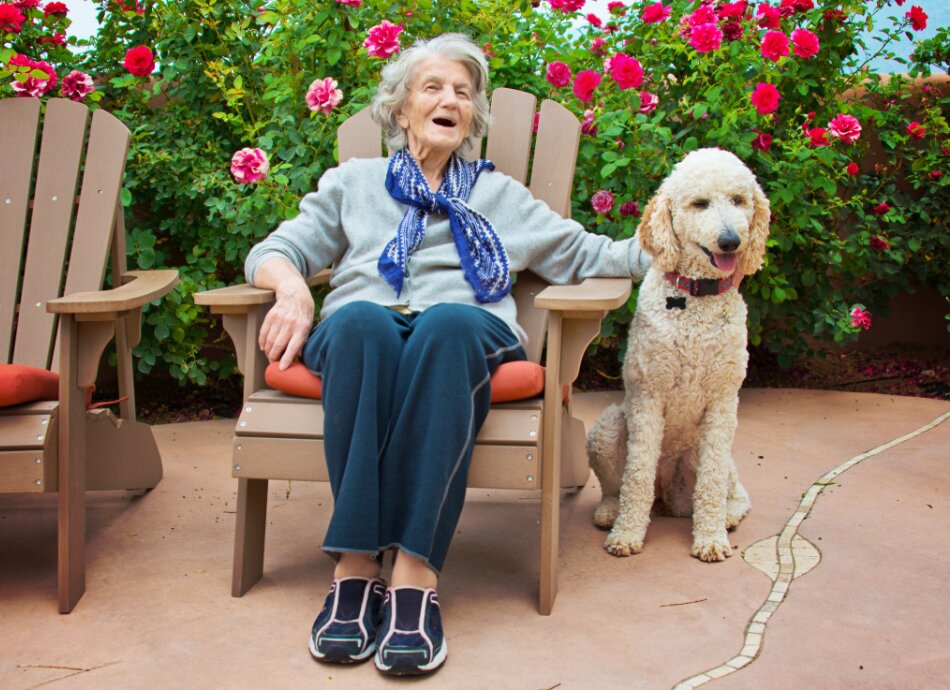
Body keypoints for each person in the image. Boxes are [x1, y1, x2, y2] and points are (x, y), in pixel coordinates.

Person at [244, 33, 650, 676]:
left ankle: (413, 573)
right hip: (364, 330)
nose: (449, 100)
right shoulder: (354, 182)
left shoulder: (500, 197)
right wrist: (291, 287)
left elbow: (590, 256)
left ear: (474, 117)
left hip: (465, 335)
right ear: (401, 109)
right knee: (358, 326)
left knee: (446, 327)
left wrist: (684, 242)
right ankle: (354, 565)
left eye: (463, 92)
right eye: (432, 87)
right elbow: (277, 249)